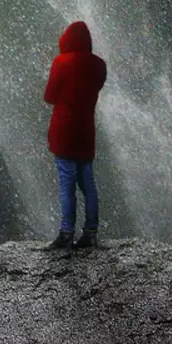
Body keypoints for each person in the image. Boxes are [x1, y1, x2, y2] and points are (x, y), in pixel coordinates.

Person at [43, 20, 107, 250]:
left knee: (67, 183)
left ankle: (66, 233)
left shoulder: (62, 62)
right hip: (86, 131)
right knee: (88, 183)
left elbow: (50, 96)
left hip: (65, 131)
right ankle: (91, 232)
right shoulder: (99, 65)